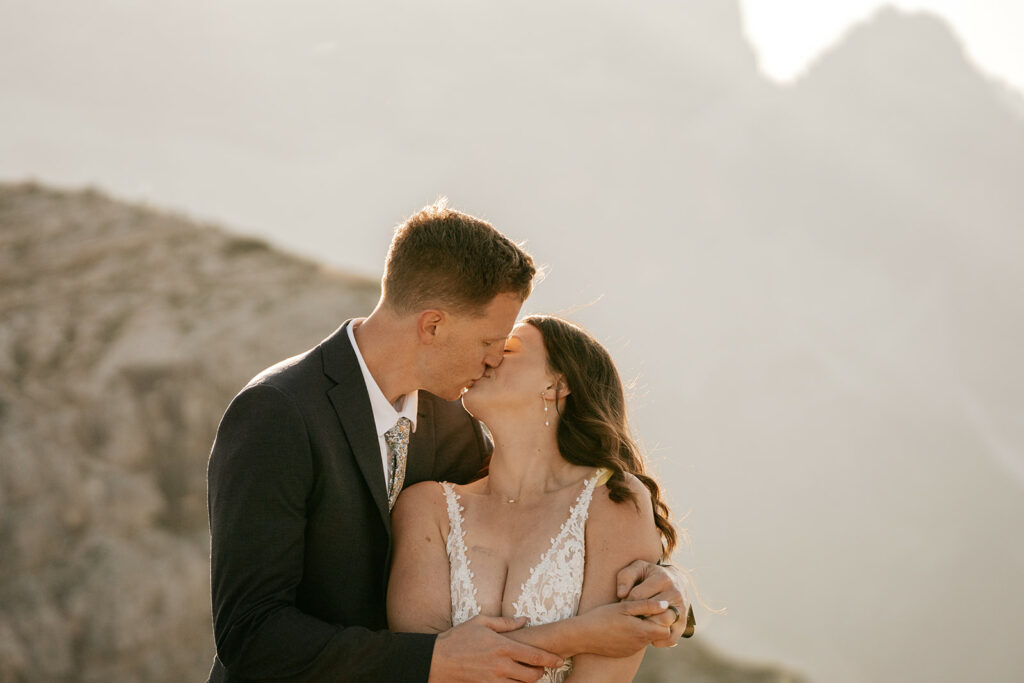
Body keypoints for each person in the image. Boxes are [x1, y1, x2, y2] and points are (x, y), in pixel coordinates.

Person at [206, 200, 692, 683]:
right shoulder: (277, 413)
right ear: (433, 325)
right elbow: (250, 634)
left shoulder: (447, 413)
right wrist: (430, 660)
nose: (493, 360)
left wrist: (668, 587)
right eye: (488, 342)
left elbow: (522, 510)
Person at [387, 315, 692, 681]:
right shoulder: (427, 508)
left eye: (509, 349)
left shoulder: (614, 500)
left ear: (556, 384)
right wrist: (583, 633)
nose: (489, 357)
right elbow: (427, 666)